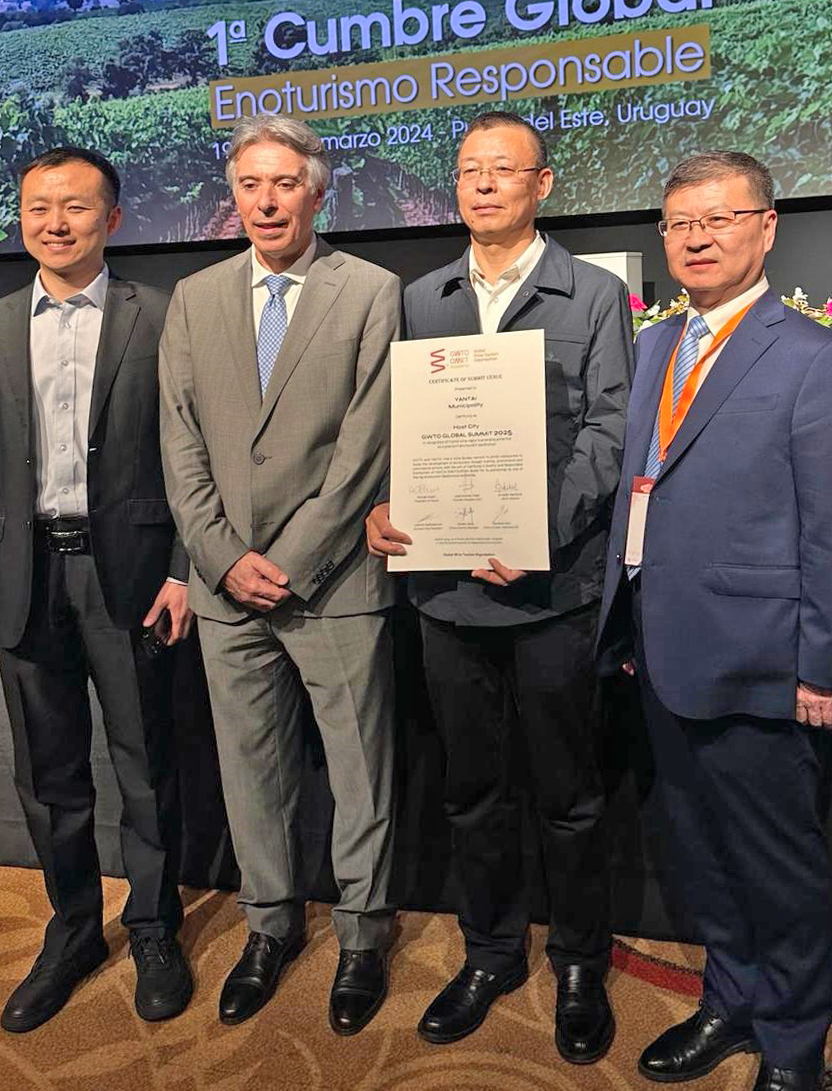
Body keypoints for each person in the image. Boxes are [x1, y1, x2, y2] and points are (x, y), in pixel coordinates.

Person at [597, 151, 832, 1091]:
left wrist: (823, 670)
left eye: (719, 219)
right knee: (702, 853)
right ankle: (731, 1001)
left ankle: (793, 1050)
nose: (697, 238)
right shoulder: (654, 348)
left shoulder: (816, 357)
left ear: (767, 227)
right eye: (679, 223)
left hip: (765, 663)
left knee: (779, 869)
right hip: (664, 653)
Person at [367, 111, 633, 1064]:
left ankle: (576, 960)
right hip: (445, 595)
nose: (483, 186)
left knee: (568, 790)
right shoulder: (421, 297)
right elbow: (395, 432)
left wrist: (540, 530)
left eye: (503, 171)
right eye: (469, 170)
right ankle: (489, 953)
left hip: (550, 592)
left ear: (543, 185)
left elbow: (611, 435)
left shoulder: (595, 295)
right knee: (472, 790)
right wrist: (386, 507)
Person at [159, 114, 400, 1036]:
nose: (266, 200)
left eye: (285, 184)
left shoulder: (371, 291)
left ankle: (363, 939)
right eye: (250, 184)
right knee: (250, 772)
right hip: (226, 589)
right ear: (234, 195)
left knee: (360, 773)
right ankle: (268, 929)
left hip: (333, 583)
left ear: (318, 191)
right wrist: (221, 557)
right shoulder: (197, 296)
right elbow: (179, 442)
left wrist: (294, 560)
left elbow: (366, 445)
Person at [0, 146, 194, 1033]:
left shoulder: (161, 318)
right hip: (24, 581)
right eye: (38, 207)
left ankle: (155, 926)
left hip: (127, 577)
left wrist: (181, 571)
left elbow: (186, 459)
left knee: (145, 764)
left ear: (114, 220)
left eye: (76, 209)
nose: (55, 224)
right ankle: (71, 929)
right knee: (48, 774)